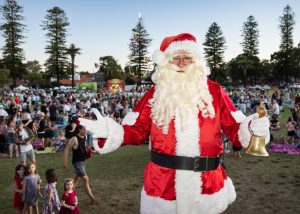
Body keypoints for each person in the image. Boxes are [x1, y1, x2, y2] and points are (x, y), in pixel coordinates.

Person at [79, 33, 270, 214]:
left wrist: (251, 128)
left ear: (196, 61)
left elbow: (235, 128)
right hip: (163, 188)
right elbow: (136, 129)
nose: (181, 63)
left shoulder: (214, 91)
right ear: (165, 62)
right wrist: (111, 131)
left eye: (187, 57)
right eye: (175, 58)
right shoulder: (155, 93)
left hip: (207, 186)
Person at [63, 125, 98, 204]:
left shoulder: (85, 136)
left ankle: (68, 195)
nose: (85, 131)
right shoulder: (74, 138)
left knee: (76, 179)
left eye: (86, 129)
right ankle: (92, 198)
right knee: (85, 179)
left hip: (83, 160)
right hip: (77, 162)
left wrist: (95, 152)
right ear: (79, 129)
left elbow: (86, 148)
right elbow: (66, 149)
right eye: (83, 129)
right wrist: (65, 162)